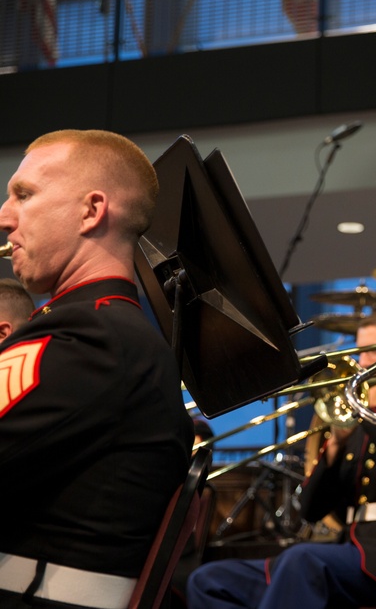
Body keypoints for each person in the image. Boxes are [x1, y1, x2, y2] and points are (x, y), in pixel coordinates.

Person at [0, 129, 194, 609]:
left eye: (24, 195)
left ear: (92, 211)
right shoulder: (94, 328)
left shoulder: (90, 338)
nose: (5, 218)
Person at [186, 310, 376, 609]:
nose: (363, 362)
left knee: (301, 561)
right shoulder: (355, 425)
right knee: (209, 580)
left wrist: (367, 414)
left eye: (375, 351)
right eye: (361, 351)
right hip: (347, 548)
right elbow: (311, 510)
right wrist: (334, 449)